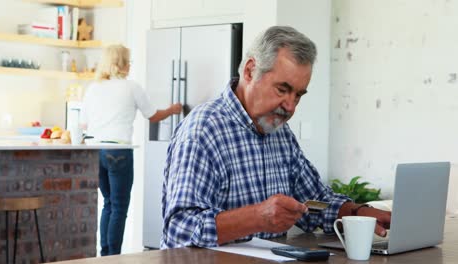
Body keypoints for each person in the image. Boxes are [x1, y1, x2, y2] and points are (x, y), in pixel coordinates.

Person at [161, 26, 391, 249]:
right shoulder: (203, 131)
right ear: (250, 71)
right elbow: (179, 230)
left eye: (298, 95)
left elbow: (314, 202)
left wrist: (359, 213)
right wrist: (256, 217)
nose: (290, 106)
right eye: (282, 89)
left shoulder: (279, 132)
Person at [80, 44, 182, 256]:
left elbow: (83, 124)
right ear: (123, 63)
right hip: (119, 151)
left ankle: (105, 254)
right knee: (119, 207)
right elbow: (152, 115)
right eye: (128, 61)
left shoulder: (93, 88)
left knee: (108, 204)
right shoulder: (131, 87)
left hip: (96, 151)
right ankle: (113, 256)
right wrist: (173, 110)